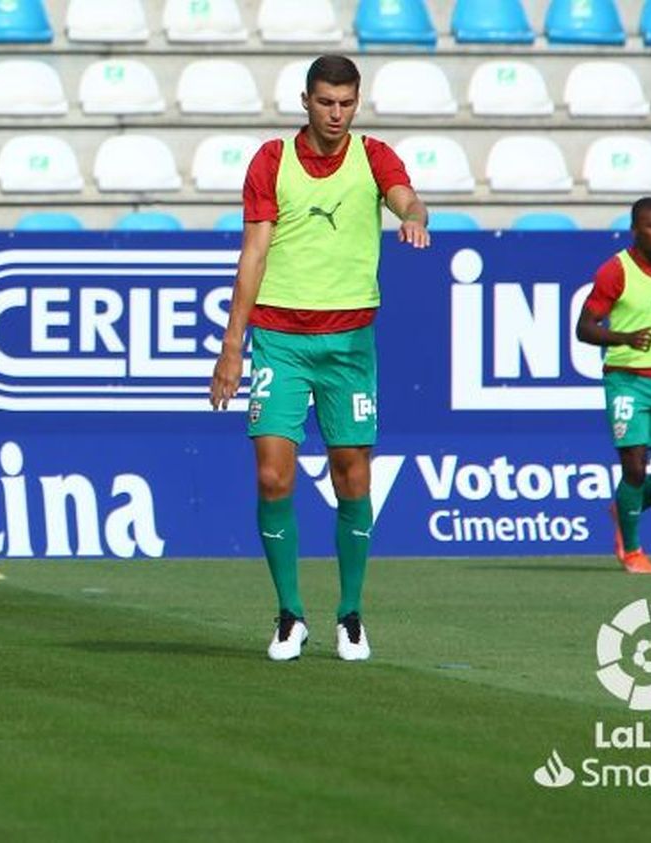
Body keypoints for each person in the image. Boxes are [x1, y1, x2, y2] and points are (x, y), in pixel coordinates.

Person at [209, 55, 430, 663]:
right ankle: (289, 615)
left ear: (356, 104)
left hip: (350, 344)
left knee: (351, 475)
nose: (336, 114)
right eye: (326, 102)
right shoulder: (272, 161)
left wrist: (412, 217)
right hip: (279, 338)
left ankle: (351, 614)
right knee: (272, 474)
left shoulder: (374, 156)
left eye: (346, 103)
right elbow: (253, 254)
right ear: (305, 101)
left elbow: (408, 199)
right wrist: (233, 349)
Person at [574, 198, 651, 575]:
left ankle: (624, 507)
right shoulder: (616, 271)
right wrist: (625, 338)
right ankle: (632, 552)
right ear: (635, 230)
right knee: (633, 466)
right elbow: (584, 328)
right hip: (626, 380)